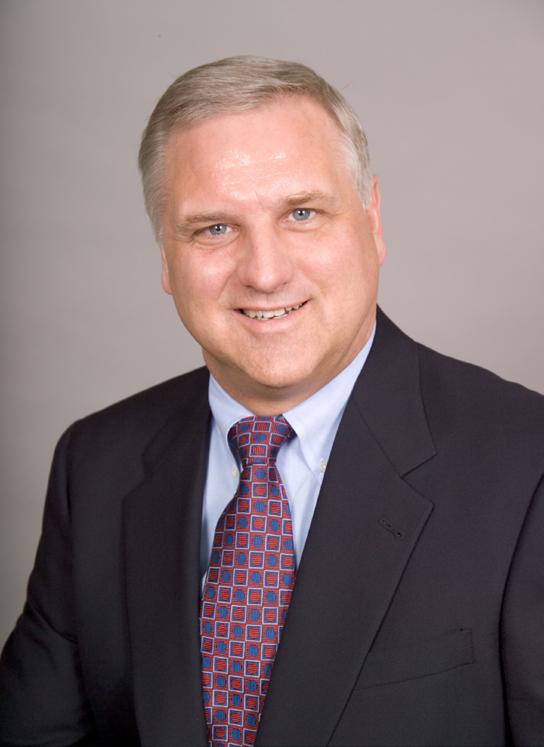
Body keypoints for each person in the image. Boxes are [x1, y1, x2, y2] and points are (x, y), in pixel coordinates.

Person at [0, 55, 542, 747]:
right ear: (165, 257)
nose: (264, 271)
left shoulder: (525, 465)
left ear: (372, 221)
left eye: (302, 213)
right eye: (214, 228)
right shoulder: (97, 464)